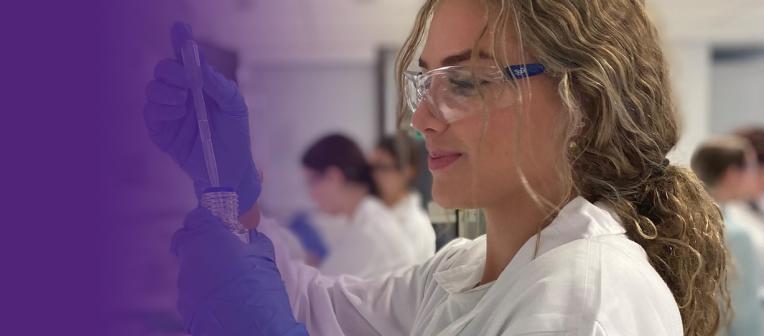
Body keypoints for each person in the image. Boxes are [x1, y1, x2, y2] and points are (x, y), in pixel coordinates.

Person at [144, 0, 733, 332]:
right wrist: (228, 189)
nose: (421, 118)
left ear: (585, 99)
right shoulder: (463, 273)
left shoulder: (584, 301)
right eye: (424, 82)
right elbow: (321, 313)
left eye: (468, 82)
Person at [293, 134, 417, 277]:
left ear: (334, 177)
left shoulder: (369, 230)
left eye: (311, 182)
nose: (312, 195)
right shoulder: (366, 217)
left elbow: (318, 292)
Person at [691, 136, 763, 335]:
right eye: (751, 167)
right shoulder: (734, 234)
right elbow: (744, 315)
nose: (756, 174)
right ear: (732, 174)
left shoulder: (687, 220)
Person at [370, 134, 436, 263]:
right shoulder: (369, 210)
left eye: (383, 168)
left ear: (406, 172)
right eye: (372, 168)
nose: (374, 175)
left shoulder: (416, 226)